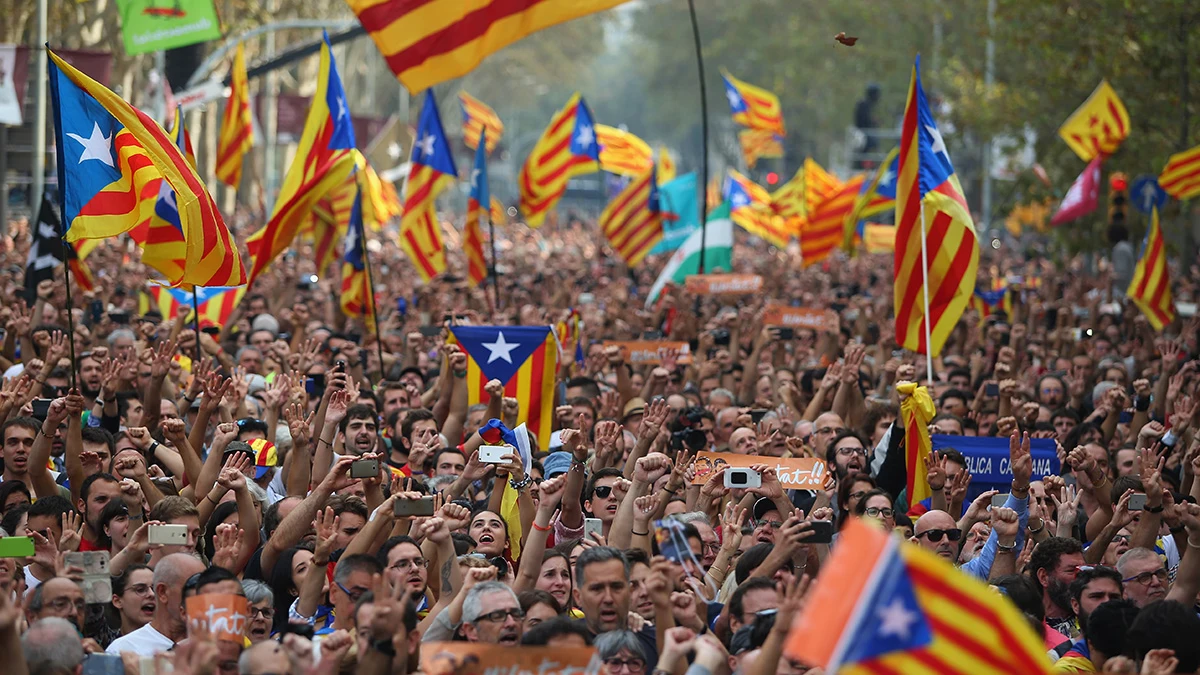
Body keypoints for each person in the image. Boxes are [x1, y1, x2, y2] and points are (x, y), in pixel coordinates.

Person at [107, 553, 206, 656]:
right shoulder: (122, 650)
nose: (203, 596)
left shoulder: (215, 645)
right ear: (162, 592)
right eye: (193, 586)